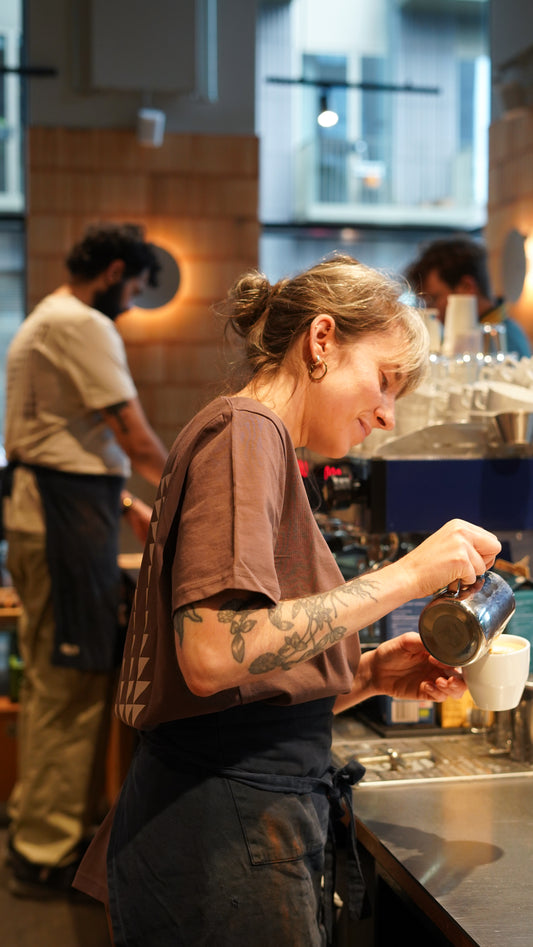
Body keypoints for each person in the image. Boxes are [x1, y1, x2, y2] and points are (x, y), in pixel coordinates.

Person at [74, 254, 501, 946]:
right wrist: (407, 575)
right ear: (322, 340)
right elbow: (213, 651)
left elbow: (226, 700)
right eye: (385, 381)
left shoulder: (258, 441)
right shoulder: (246, 431)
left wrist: (365, 676)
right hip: (220, 835)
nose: (386, 415)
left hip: (224, 818)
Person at [3, 222, 168, 898]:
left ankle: (32, 828)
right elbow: (130, 431)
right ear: (115, 270)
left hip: (60, 507)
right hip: (63, 519)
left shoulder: (49, 315)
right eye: (132, 286)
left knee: (50, 680)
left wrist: (124, 500)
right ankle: (47, 849)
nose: (130, 301)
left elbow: (66, 438)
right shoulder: (80, 323)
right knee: (72, 684)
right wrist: (192, 490)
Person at [405, 235, 531, 358]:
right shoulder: (462, 337)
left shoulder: (505, 342)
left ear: (467, 287)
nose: (429, 310)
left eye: (433, 299)